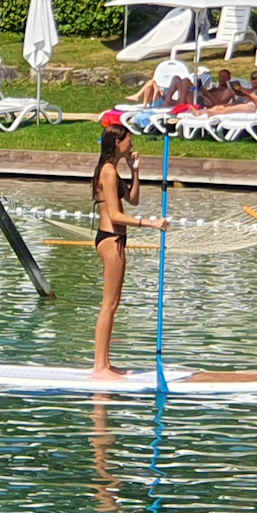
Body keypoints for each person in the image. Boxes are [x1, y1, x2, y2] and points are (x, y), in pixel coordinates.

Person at [90, 122, 169, 379]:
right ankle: (100, 367)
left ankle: (106, 363)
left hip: (117, 239)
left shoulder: (114, 170)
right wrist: (151, 224)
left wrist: (135, 171)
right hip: (111, 239)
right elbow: (115, 215)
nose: (132, 144)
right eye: (128, 141)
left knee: (114, 303)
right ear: (117, 142)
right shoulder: (108, 172)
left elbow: (133, 200)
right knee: (109, 304)